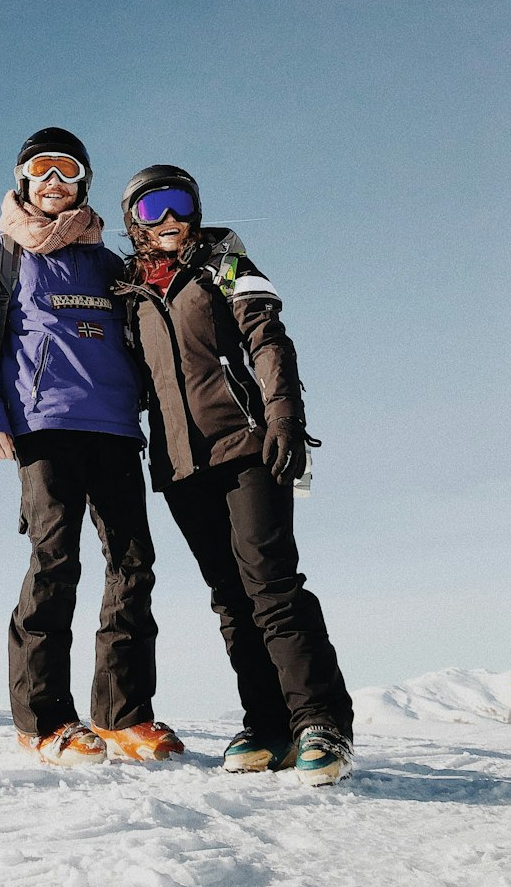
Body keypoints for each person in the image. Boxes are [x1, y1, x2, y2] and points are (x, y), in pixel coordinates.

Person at [116, 165, 354, 786]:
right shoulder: (129, 293)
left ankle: (319, 723)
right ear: (133, 223)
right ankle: (267, 725)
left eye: (179, 205)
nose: (170, 220)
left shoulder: (224, 262)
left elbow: (267, 338)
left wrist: (284, 417)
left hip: (248, 444)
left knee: (271, 584)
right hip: (178, 463)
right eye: (153, 209)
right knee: (229, 598)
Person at [0, 129, 184, 766]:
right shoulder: (1, 259)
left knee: (133, 563)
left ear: (82, 182)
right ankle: (44, 719)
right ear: (23, 182)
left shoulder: (109, 264)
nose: (54, 181)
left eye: (68, 170)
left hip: (114, 427)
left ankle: (123, 714)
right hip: (43, 427)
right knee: (55, 562)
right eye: (40, 170)